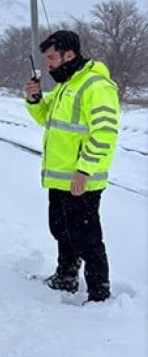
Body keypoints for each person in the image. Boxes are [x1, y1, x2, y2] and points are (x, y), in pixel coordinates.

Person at [24, 30, 119, 303]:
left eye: (52, 58)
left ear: (70, 54)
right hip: (60, 178)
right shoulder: (67, 85)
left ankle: (99, 293)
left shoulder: (95, 86)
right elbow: (48, 120)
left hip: (81, 179)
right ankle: (66, 277)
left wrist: (84, 170)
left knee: (87, 238)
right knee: (62, 231)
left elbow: (105, 133)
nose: (49, 65)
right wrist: (34, 101)